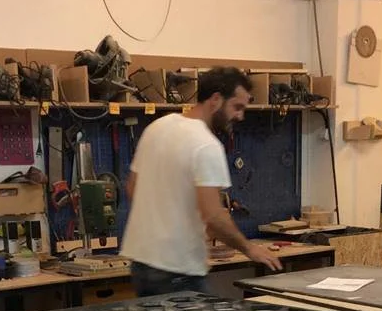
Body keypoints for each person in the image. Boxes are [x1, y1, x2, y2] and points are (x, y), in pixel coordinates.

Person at [121, 66, 282, 297]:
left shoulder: (157, 128)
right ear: (216, 100)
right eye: (237, 107)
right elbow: (214, 216)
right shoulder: (206, 145)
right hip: (178, 271)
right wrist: (249, 248)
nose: (240, 116)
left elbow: (132, 188)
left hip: (142, 264)